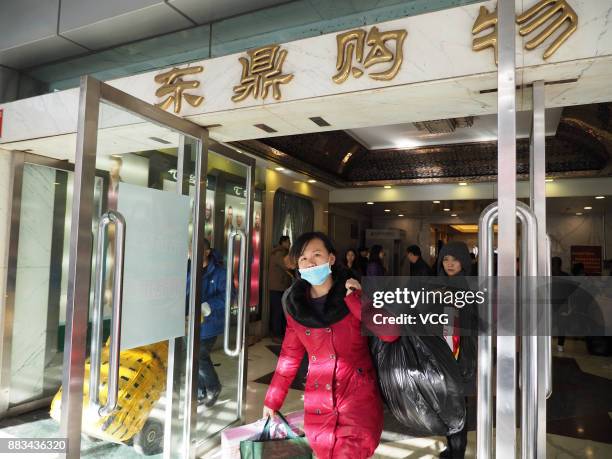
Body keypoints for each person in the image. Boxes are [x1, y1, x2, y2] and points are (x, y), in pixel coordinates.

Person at [262, 232, 398, 459]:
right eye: (303, 258)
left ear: (331, 259)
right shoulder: (296, 307)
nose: (310, 262)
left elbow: (390, 333)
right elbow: (289, 357)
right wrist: (272, 400)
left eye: (317, 255)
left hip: (357, 403)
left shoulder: (353, 292)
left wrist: (357, 299)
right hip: (318, 405)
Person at [436, 241, 477, 459]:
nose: (450, 264)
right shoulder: (438, 284)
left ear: (464, 261)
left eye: (455, 259)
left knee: (459, 403)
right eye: (445, 259)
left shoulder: (471, 286)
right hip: (441, 352)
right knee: (445, 401)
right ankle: (451, 446)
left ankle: (457, 450)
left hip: (461, 354)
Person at [196, 239, 226, 407]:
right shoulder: (188, 268)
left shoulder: (220, 272)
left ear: (207, 252)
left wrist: (209, 305)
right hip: (188, 322)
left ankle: (213, 387)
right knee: (192, 358)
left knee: (199, 355)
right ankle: (200, 392)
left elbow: (228, 295)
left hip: (210, 323)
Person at [268, 235, 292, 342]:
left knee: (280, 311)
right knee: (277, 311)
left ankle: (280, 333)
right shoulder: (279, 253)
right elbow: (286, 266)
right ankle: (276, 335)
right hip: (277, 287)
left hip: (280, 287)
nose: (289, 244)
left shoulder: (281, 253)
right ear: (282, 243)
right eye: (287, 242)